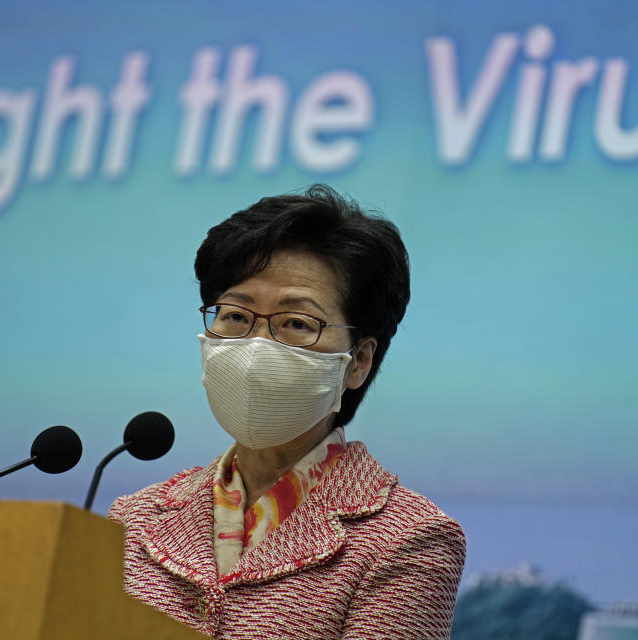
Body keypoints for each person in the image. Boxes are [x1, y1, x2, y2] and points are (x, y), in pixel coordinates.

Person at [109, 184, 467, 639]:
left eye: (296, 323)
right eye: (236, 315)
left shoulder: (409, 541)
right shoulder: (134, 519)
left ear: (358, 361)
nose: (257, 346)